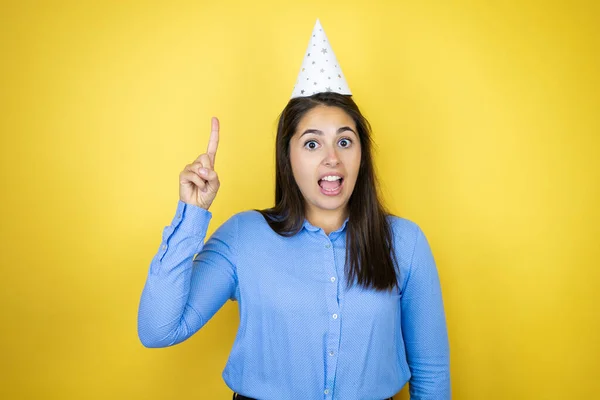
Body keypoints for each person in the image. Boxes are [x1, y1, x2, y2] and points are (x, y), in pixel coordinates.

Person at [137, 20, 450, 400]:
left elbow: (431, 376)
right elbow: (158, 329)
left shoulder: (405, 242)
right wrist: (191, 214)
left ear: (362, 155)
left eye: (345, 142)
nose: (332, 158)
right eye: (312, 144)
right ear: (288, 157)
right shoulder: (244, 237)